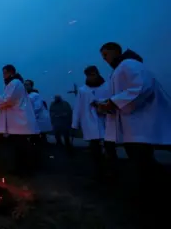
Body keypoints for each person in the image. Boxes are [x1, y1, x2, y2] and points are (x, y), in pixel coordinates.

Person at [97, 42, 171, 192]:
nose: (104, 59)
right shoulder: (117, 71)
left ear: (115, 51)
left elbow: (142, 87)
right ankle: (151, 192)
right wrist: (109, 105)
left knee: (143, 162)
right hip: (132, 128)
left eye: (105, 54)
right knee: (141, 162)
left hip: (141, 125)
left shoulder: (129, 64)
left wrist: (113, 102)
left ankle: (157, 193)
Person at [72, 65, 116, 179]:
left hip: (106, 121)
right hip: (90, 123)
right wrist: (75, 124)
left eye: (93, 74)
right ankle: (99, 173)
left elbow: (113, 101)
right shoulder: (83, 90)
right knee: (95, 150)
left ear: (97, 73)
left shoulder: (107, 86)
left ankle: (113, 172)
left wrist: (99, 104)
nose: (91, 77)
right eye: (88, 75)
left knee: (110, 149)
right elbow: (78, 107)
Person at [0, 65, 40, 174]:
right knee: (18, 147)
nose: (3, 76)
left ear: (11, 73)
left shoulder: (15, 83)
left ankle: (25, 170)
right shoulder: (13, 83)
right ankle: (20, 169)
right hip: (17, 122)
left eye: (4, 73)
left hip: (19, 121)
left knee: (22, 147)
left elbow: (8, 99)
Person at [24, 80, 52, 145]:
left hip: (38, 118)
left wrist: (28, 114)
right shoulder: (26, 96)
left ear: (31, 86)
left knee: (39, 136)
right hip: (33, 120)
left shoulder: (35, 95)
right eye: (24, 84)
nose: (25, 86)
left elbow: (37, 107)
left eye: (27, 85)